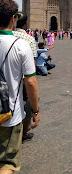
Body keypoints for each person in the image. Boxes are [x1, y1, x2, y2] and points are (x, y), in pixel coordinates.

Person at [0, 0, 40, 174]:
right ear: (14, 19)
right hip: (10, 115)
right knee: (8, 163)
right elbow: (30, 82)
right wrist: (36, 111)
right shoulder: (21, 44)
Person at [13, 12, 38, 142]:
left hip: (8, 79)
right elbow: (32, 64)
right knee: (26, 102)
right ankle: (25, 131)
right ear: (26, 24)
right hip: (24, 79)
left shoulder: (6, 36)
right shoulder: (29, 39)